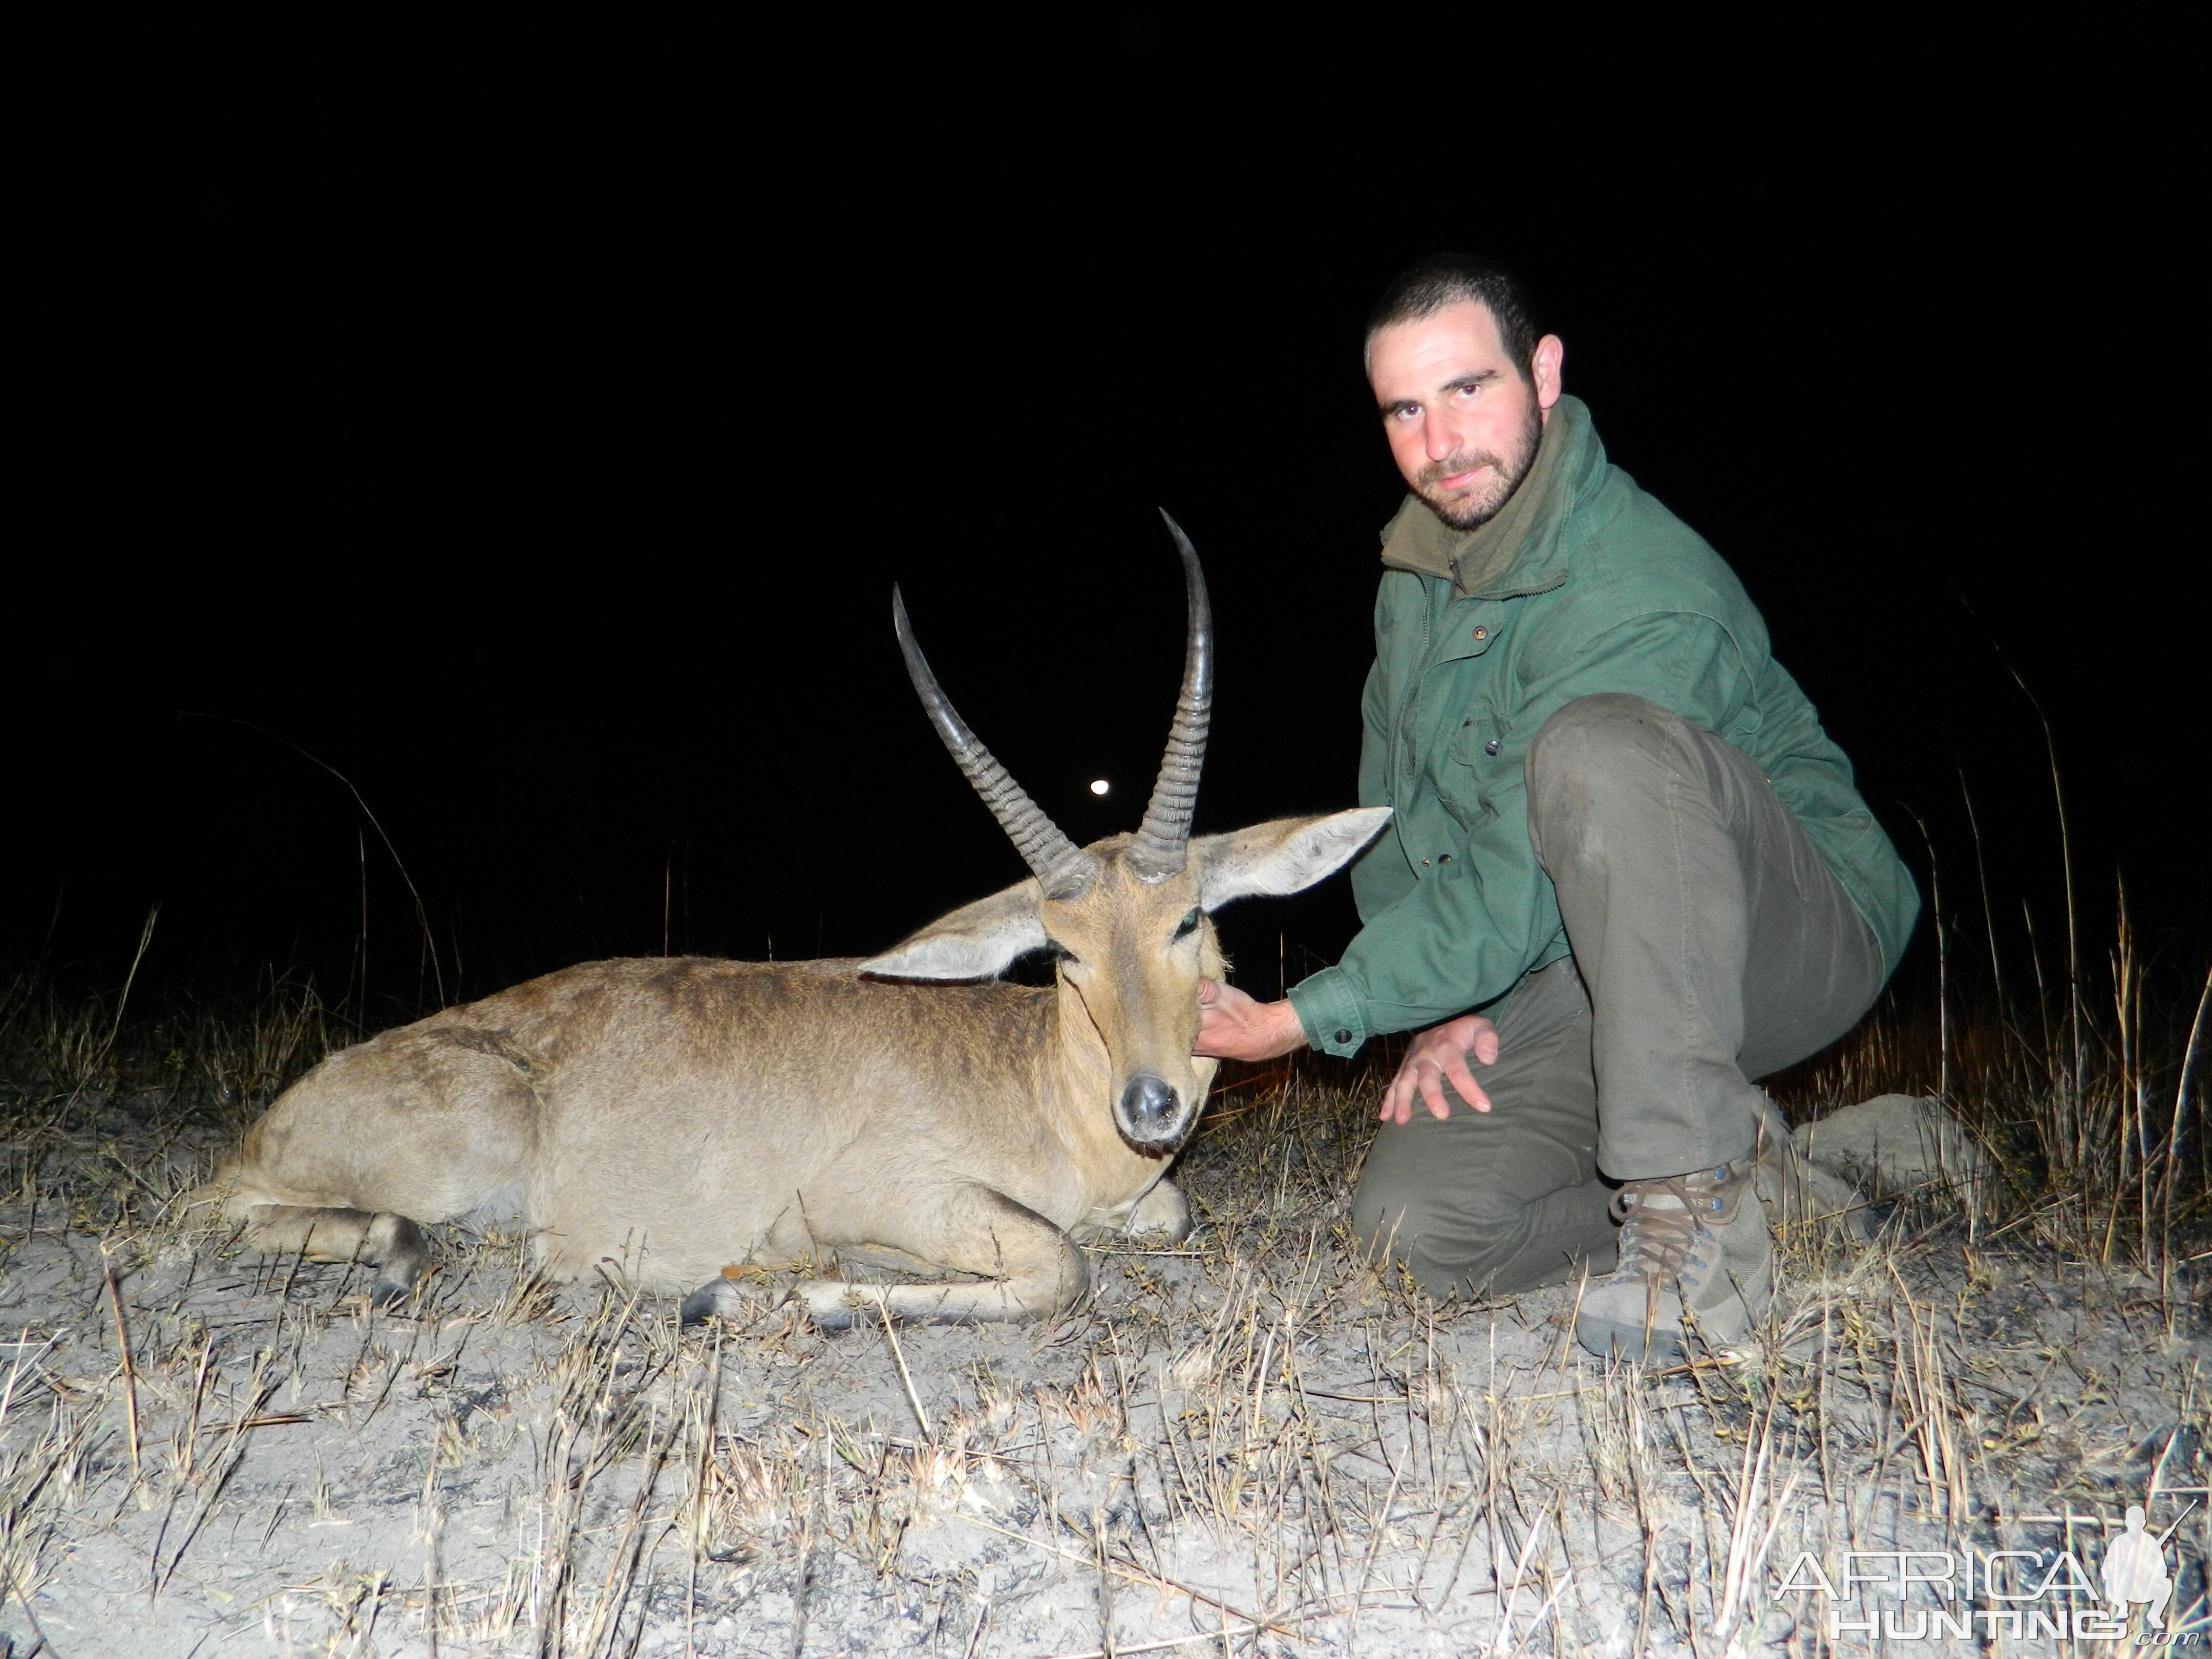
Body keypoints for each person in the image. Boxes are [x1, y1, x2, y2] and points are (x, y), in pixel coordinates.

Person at [1195, 252, 1918, 1362]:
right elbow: (1397, 818)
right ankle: (1774, 1171)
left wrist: (1302, 1018)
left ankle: (1697, 1226)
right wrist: (1429, 1009)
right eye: (1404, 409)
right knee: (1415, 1234)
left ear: (1543, 372)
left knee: (1597, 750)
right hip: (1575, 946)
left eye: (1468, 389)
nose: (1439, 444)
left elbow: (1519, 881)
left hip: (1792, 934)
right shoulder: (1418, 568)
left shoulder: (1643, 583)